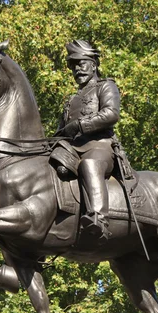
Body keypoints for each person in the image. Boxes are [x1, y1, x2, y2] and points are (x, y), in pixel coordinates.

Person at [58, 40, 121, 242]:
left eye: (81, 63)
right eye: (73, 66)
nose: (77, 69)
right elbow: (61, 131)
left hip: (100, 146)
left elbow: (111, 114)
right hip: (72, 149)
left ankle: (98, 219)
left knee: (89, 165)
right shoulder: (71, 99)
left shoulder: (105, 86)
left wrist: (80, 126)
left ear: (93, 64)